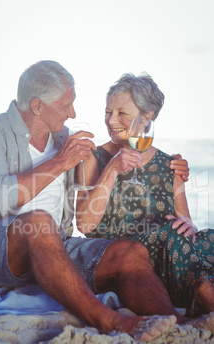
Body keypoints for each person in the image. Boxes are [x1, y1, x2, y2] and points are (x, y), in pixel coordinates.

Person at [0, 61, 199, 343]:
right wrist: (60, 162)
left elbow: (113, 157)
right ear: (37, 107)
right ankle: (111, 321)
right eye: (66, 105)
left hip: (53, 244)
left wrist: (171, 167)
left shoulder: (65, 139)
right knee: (39, 222)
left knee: (130, 252)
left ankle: (177, 324)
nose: (73, 113)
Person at [76, 72, 214, 318]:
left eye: (121, 113)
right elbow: (85, 225)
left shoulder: (171, 165)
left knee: (209, 238)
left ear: (147, 115)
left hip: (167, 256)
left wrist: (188, 225)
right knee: (172, 236)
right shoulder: (92, 158)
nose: (111, 120)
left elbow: (186, 224)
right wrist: (112, 170)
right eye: (108, 112)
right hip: (121, 255)